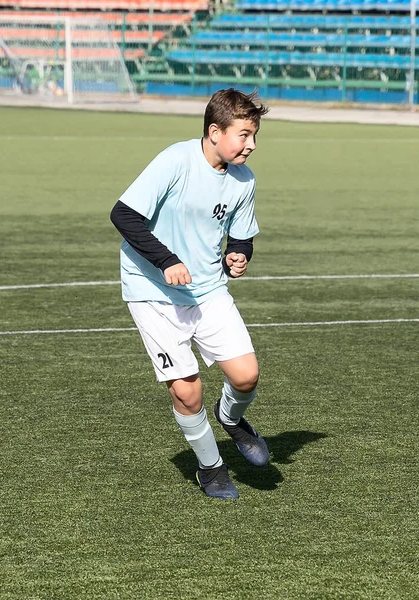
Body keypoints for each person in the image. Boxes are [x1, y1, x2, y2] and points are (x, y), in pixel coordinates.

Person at [110, 88, 270, 500]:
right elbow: (123, 214)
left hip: (208, 290)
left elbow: (241, 237)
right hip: (152, 291)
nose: (251, 144)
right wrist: (165, 261)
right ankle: (211, 467)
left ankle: (230, 418)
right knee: (186, 389)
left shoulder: (243, 180)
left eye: (255, 135)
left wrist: (238, 255)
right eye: (244, 134)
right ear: (215, 131)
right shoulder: (175, 160)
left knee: (246, 376)